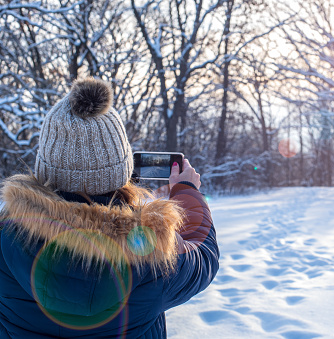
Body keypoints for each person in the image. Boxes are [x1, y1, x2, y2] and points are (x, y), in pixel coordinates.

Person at [0, 77, 219, 338]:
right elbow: (204, 257)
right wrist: (187, 192)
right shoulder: (150, 252)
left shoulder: (6, 236)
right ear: (121, 171)